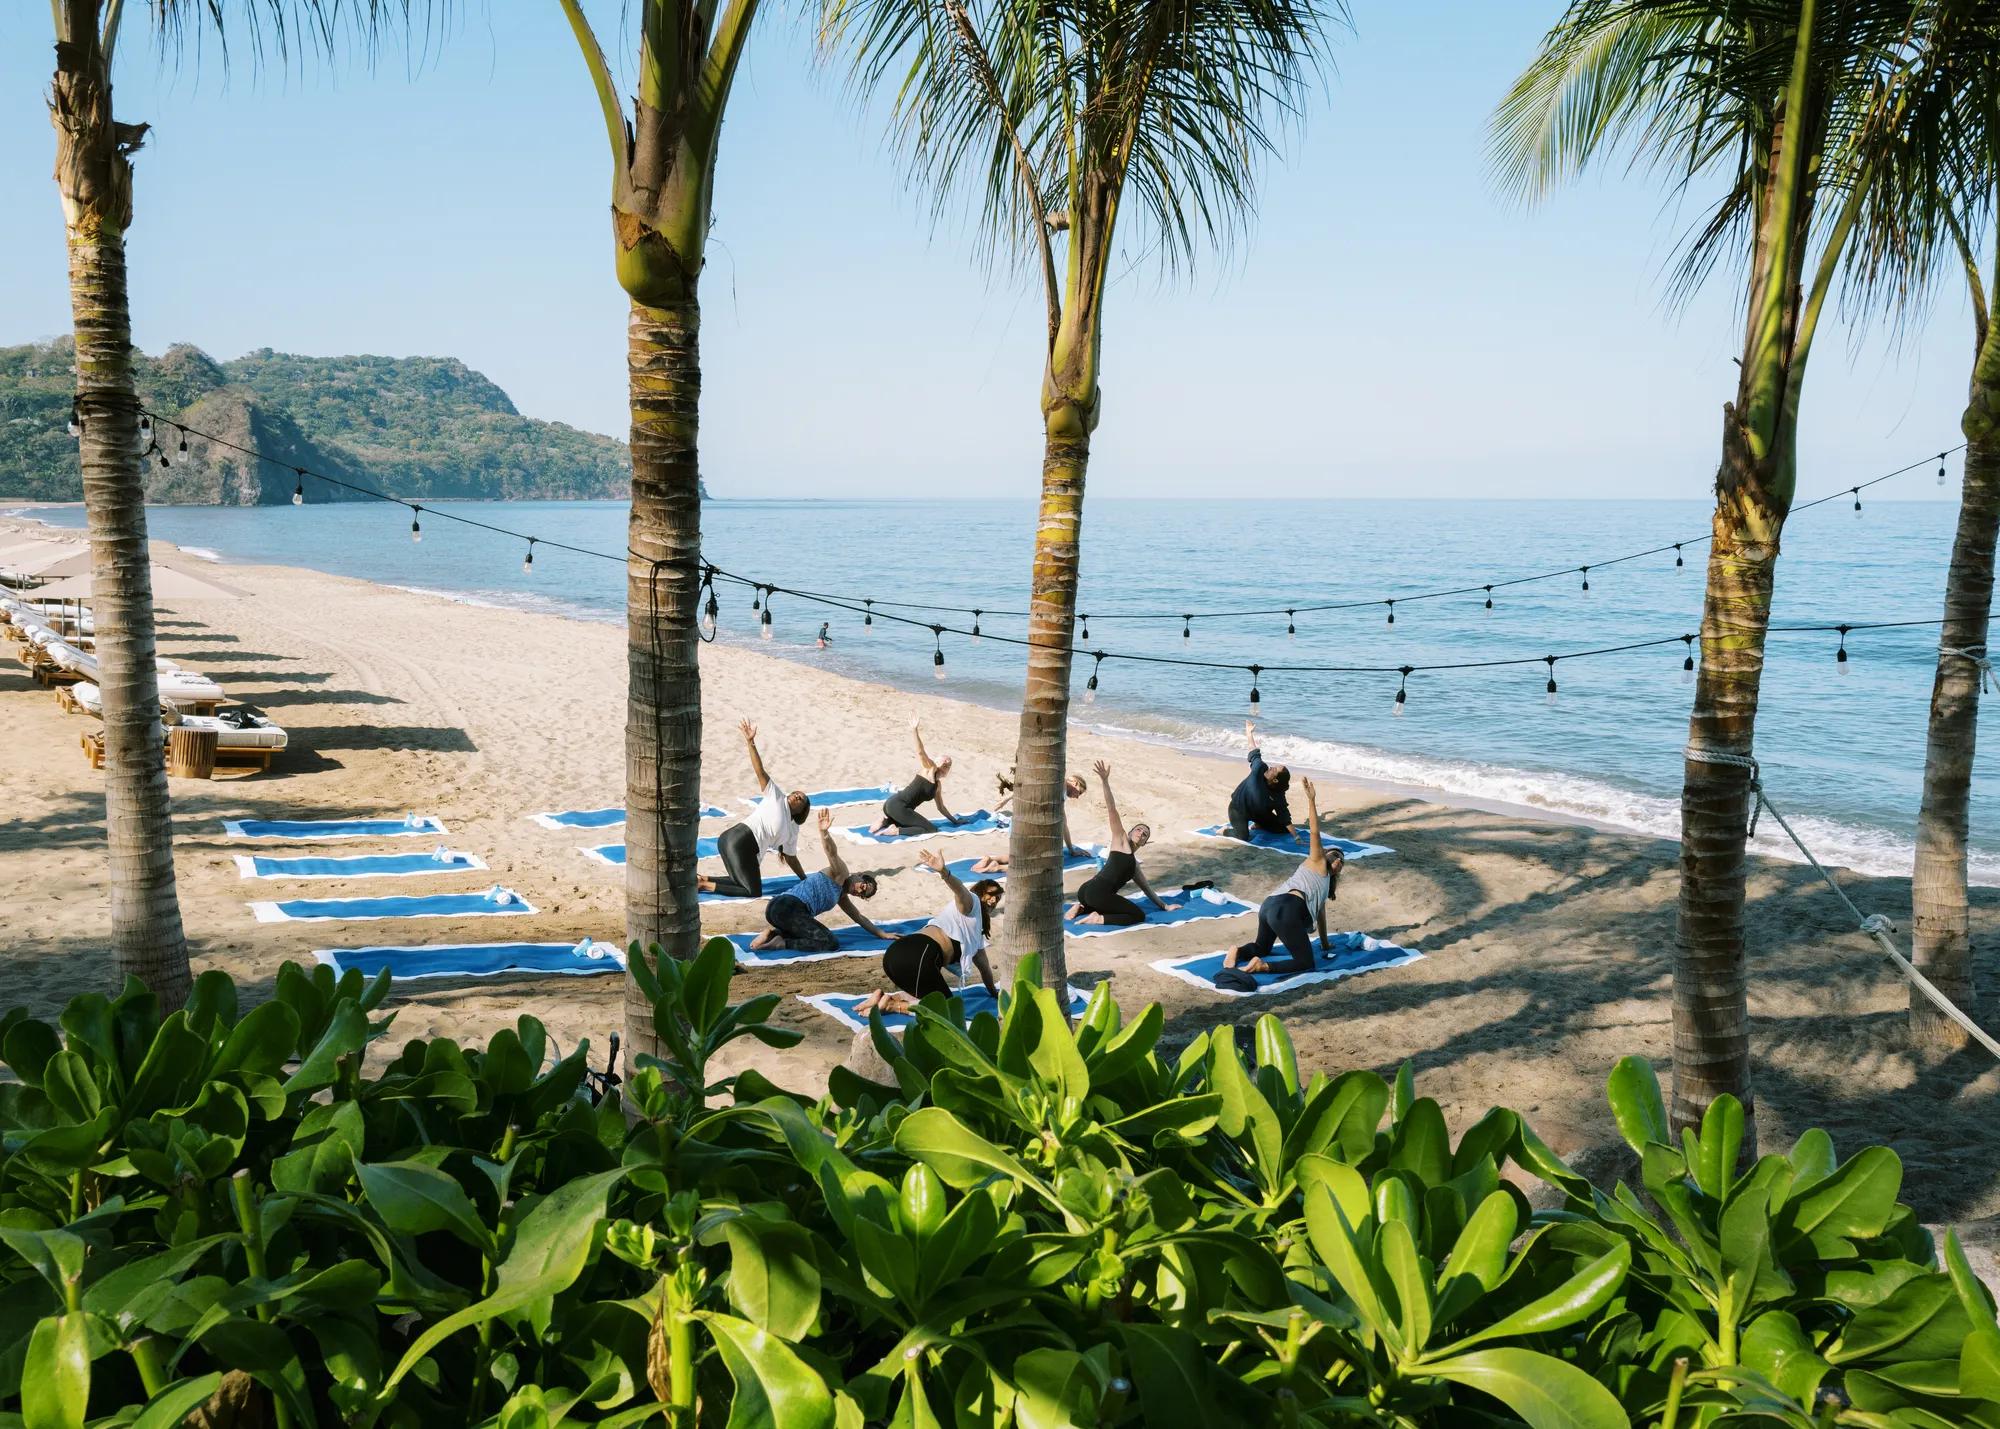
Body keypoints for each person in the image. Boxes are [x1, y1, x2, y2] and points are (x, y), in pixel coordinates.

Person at [854, 849, 1002, 1015]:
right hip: (918, 955)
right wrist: (944, 872)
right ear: (979, 892)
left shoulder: (975, 935)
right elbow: (960, 891)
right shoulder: (970, 904)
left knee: (928, 994)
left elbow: (985, 970)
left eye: (998, 899)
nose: (994, 900)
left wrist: (994, 993)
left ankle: (883, 997)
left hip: (900, 955)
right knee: (946, 1009)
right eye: (991, 894)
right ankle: (892, 1006)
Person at [1224, 777, 1344, 976]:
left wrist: (1325, 944)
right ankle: (1262, 966)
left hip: (1270, 905)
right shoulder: (1317, 862)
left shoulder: (1321, 887)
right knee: (1306, 963)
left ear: (1338, 872)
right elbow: (1315, 833)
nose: (1339, 860)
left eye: (1341, 860)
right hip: (1287, 908)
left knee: (1262, 948)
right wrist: (1311, 800)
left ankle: (1238, 952)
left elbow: (1321, 917)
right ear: (1325, 855)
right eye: (1335, 855)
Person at [698, 720, 810, 898]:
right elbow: (760, 771)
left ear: (801, 811)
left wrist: (805, 879)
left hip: (742, 847)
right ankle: (704, 885)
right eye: (796, 793)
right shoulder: (777, 797)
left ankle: (703, 878)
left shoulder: (792, 831)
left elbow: (791, 857)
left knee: (741, 882)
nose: (797, 795)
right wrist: (750, 742)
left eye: (801, 798)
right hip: (739, 840)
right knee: (753, 891)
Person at [749, 809, 885, 952]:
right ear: (859, 874)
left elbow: (859, 917)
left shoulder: (842, 896)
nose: (859, 891)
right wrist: (824, 833)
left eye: (862, 894)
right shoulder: (841, 873)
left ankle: (773, 933)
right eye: (863, 886)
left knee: (808, 931)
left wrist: (881, 933)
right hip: (788, 907)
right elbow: (831, 852)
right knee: (830, 943)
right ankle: (781, 943)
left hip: (779, 911)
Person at [1067, 761, 1166, 926]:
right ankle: (1097, 918)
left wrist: (1165, 906)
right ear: (1129, 833)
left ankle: (1082, 908)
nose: (1141, 833)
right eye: (1138, 830)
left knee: (1113, 904)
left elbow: (1147, 889)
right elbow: (1112, 808)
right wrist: (1105, 781)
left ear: (1144, 843)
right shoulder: (1120, 841)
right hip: (1095, 893)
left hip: (1087, 893)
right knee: (1137, 915)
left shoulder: (1133, 865)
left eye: (1145, 834)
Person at [973, 768, 1089, 871]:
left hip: (1022, 823)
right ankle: (997, 867)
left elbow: (1064, 824)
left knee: (1021, 857)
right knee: (1037, 865)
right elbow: (1031, 786)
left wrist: (1071, 849)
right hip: (1027, 826)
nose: (1077, 797)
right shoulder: (1060, 782)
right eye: (1079, 792)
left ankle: (990, 859)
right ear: (1075, 782)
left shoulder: (1061, 795)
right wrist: (1006, 799)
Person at [869, 720, 962, 836]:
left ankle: (885, 821)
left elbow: (941, 807)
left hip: (894, 807)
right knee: (930, 829)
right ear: (938, 762)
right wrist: (914, 730)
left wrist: (955, 821)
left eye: (949, 765)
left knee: (908, 822)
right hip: (898, 806)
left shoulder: (937, 785)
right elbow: (920, 752)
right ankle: (895, 830)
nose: (946, 765)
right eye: (945, 762)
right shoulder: (930, 769)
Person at [1228, 719, 1292, 841]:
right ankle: (1225, 831)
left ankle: (1259, 824)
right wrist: (1249, 733)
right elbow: (1253, 751)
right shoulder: (1259, 768)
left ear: (1276, 781)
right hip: (1238, 809)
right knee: (1243, 837)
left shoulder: (1278, 793)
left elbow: (1283, 814)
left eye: (1274, 770)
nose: (1271, 767)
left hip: (1259, 815)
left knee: (1283, 829)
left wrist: (1296, 836)